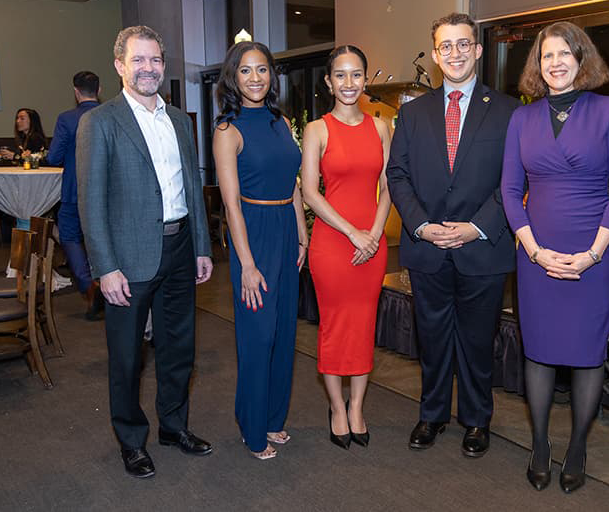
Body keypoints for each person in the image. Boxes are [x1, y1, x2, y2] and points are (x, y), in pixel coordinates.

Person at [500, 21, 609, 493]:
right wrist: (534, 251)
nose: (554, 63)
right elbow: (510, 188)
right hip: (535, 257)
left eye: (563, 54)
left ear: (581, 57)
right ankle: (540, 445)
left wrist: (593, 254)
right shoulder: (522, 118)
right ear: (537, 65)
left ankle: (577, 445)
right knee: (537, 353)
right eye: (546, 56)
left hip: (594, 257)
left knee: (586, 356)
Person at [76, 25, 214, 479]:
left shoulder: (178, 120)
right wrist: (106, 267)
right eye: (138, 60)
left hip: (178, 250)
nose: (148, 68)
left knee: (179, 349)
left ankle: (174, 427)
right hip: (128, 260)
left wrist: (200, 245)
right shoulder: (99, 122)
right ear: (119, 66)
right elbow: (90, 201)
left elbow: (191, 186)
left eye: (155, 59)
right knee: (127, 357)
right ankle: (132, 440)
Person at [387, 12, 519, 458]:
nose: (456, 53)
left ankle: (477, 421)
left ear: (478, 51)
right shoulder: (412, 113)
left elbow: (513, 180)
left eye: (464, 44)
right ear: (437, 54)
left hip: (482, 249)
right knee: (432, 339)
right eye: (446, 46)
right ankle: (432, 414)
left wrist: (476, 226)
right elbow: (398, 175)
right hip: (427, 250)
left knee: (479, 343)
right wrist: (422, 225)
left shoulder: (507, 111)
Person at [213, 41, 307, 460]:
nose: (256, 78)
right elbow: (230, 203)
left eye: (263, 70)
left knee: (285, 332)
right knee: (258, 335)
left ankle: (272, 419)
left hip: (287, 228)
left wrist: (302, 234)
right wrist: (247, 265)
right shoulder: (226, 130)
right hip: (253, 233)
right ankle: (253, 431)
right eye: (246, 71)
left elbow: (293, 182)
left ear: (272, 76)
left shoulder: (280, 121)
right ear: (233, 77)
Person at [301, 45, 391, 449]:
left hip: (372, 242)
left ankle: (358, 406)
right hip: (333, 244)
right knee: (335, 325)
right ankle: (337, 407)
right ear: (328, 82)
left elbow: (389, 186)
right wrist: (354, 234)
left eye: (356, 74)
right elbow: (309, 192)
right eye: (341, 75)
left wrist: (372, 233)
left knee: (363, 324)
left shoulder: (381, 127)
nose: (349, 83)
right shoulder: (318, 130)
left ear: (366, 79)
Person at [47, 71, 103, 320]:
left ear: (76, 91)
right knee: (101, 238)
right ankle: (107, 281)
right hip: (105, 192)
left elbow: (54, 157)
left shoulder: (67, 119)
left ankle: (88, 283)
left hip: (74, 191)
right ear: (99, 90)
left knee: (69, 236)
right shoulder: (110, 114)